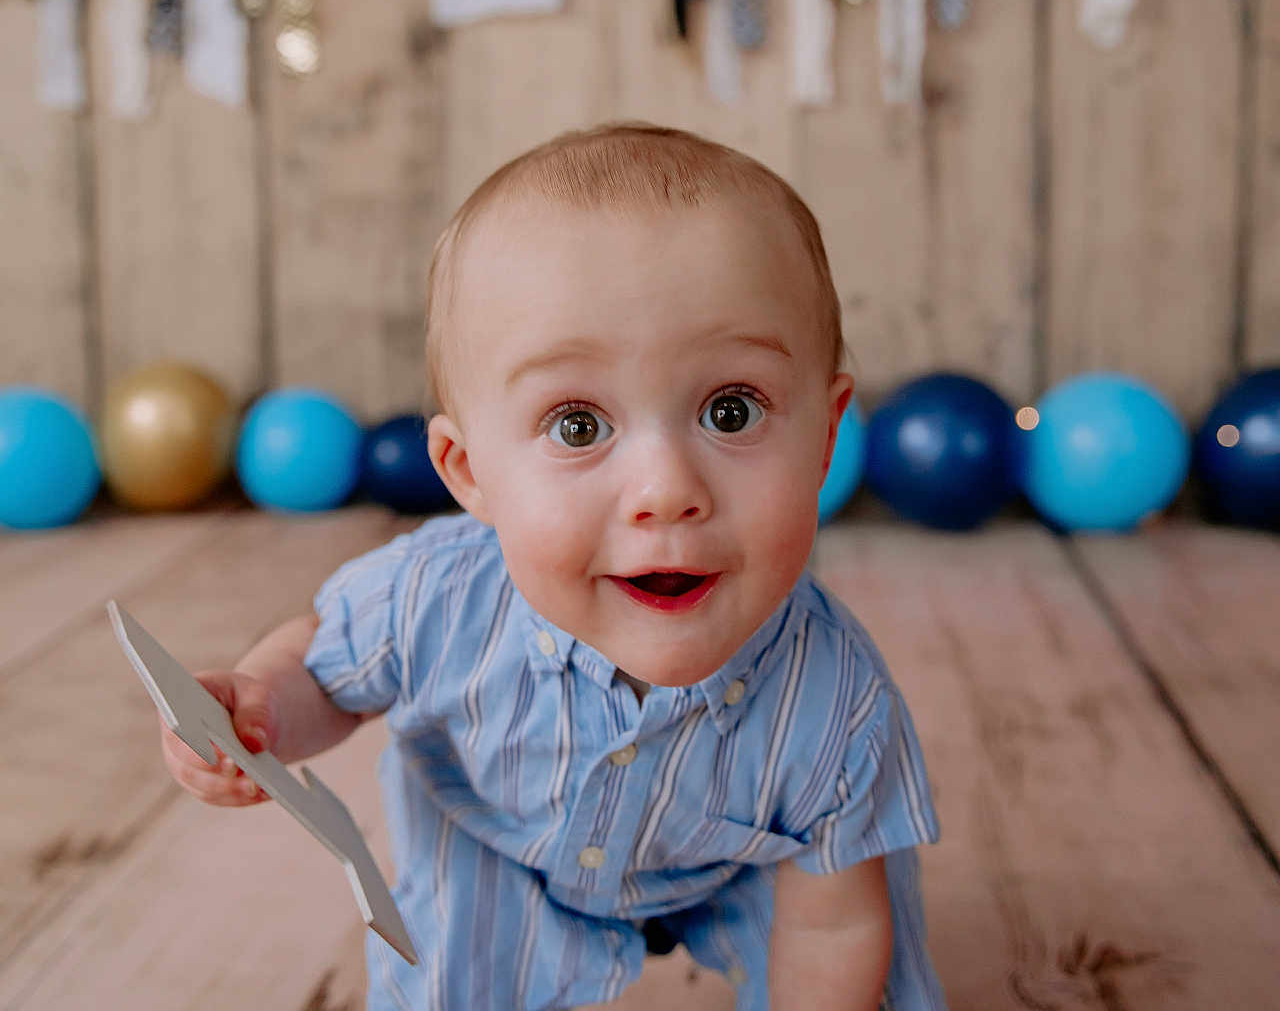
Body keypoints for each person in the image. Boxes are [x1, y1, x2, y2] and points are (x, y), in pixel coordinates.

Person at [158, 123, 947, 1010]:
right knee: (442, 975)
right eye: (578, 425)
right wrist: (259, 705)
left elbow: (835, 921)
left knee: (877, 985)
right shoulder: (437, 595)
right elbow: (327, 671)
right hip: (498, 852)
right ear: (469, 473)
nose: (666, 491)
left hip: (733, 870)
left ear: (828, 435)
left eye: (731, 411)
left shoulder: (837, 700)